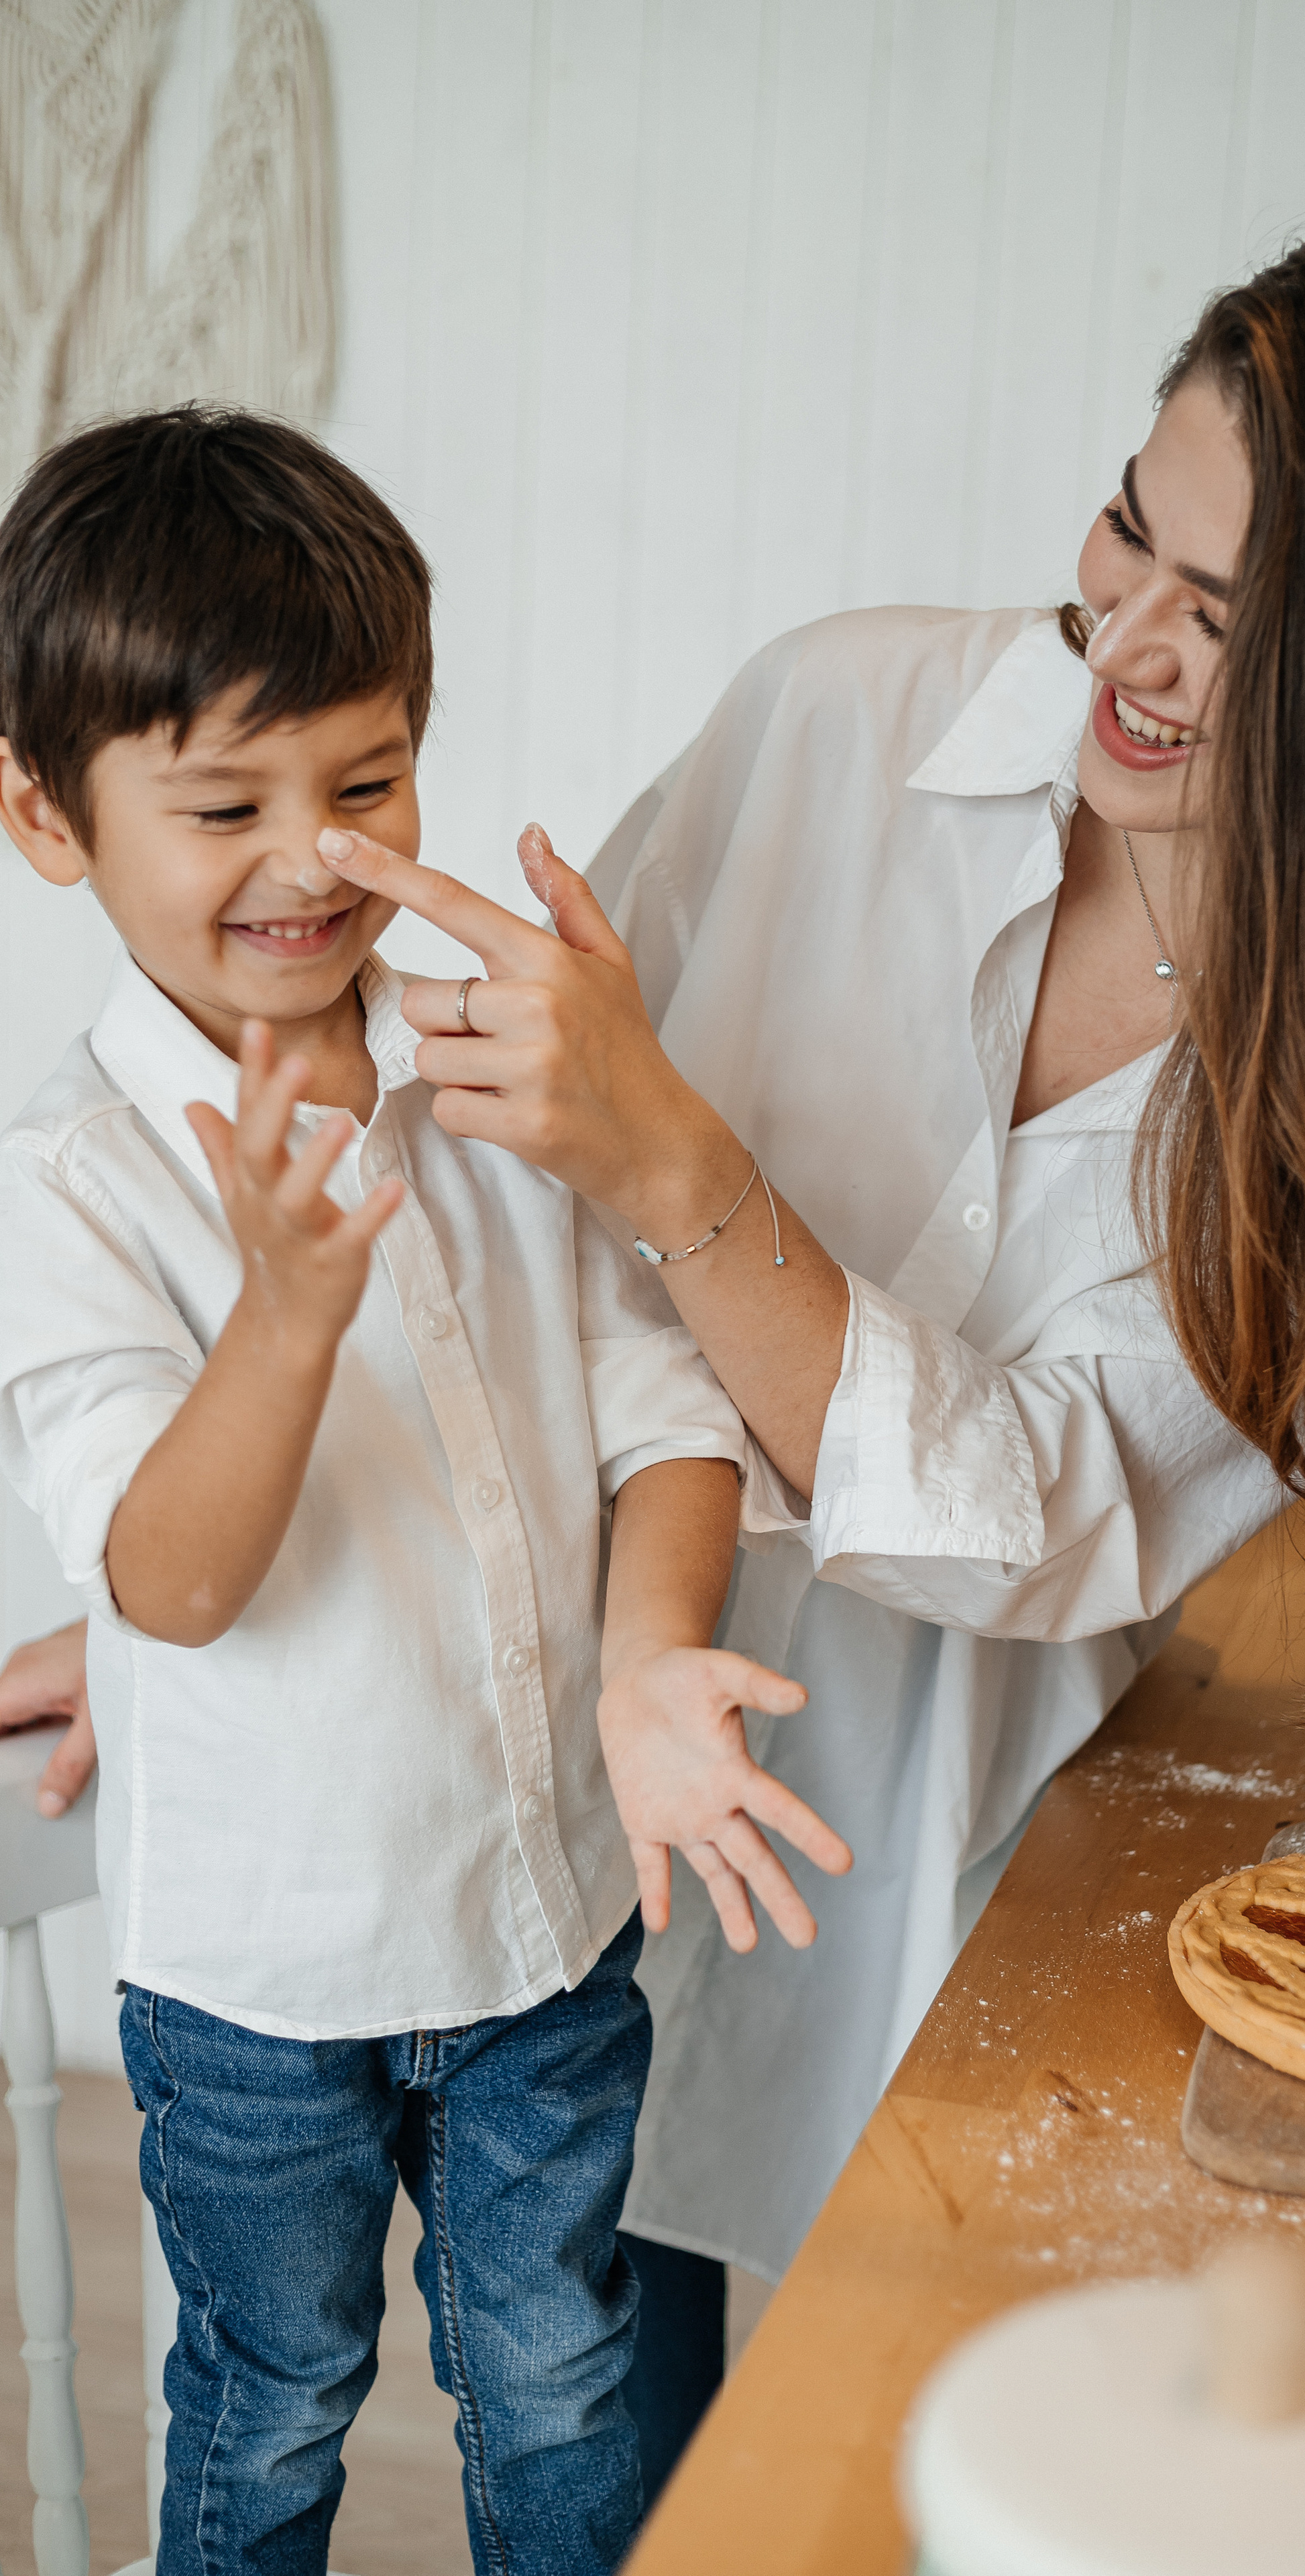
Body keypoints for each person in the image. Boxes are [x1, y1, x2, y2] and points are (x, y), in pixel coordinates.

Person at [6, 202, 1305, 2498]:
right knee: (552, 2439)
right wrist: (285, 1599)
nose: (1129, 643)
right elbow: (499, 1247)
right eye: (1130, 527)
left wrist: (687, 1168)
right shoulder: (837, 717)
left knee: (809, 2472)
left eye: (1238, 619)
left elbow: (1026, 1523)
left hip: (917, 1893)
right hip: (555, 1860)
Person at [0, 408, 848, 2575]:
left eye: (367, 783)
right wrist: (285, 1317)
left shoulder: (498, 1081)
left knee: (562, 2381)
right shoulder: (75, 1188)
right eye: (226, 805)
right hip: (253, 1981)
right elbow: (171, 1584)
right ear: (47, 819)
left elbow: (670, 1408)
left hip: (540, 1924)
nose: (310, 858)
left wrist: (653, 1656)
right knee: (272, 2403)